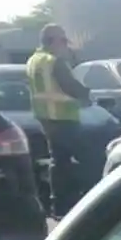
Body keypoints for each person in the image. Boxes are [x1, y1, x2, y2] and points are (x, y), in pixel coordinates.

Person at [25, 25, 94, 217]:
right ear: (52, 40)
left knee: (59, 162)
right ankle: (87, 203)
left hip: (46, 117)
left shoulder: (33, 61)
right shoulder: (54, 61)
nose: (65, 45)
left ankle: (59, 206)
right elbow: (71, 87)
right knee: (85, 160)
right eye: (63, 41)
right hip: (63, 118)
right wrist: (88, 94)